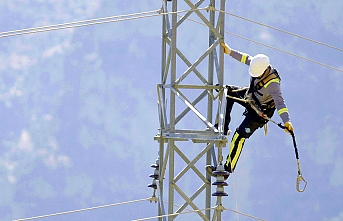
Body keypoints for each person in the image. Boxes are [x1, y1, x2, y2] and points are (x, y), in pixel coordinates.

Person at [206, 43, 294, 179]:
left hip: (259, 114)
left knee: (239, 136)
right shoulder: (257, 64)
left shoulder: (273, 84)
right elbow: (244, 58)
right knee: (227, 91)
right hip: (251, 98)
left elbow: (280, 103)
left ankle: (227, 170)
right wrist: (229, 51)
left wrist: (287, 122)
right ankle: (222, 128)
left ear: (265, 71)